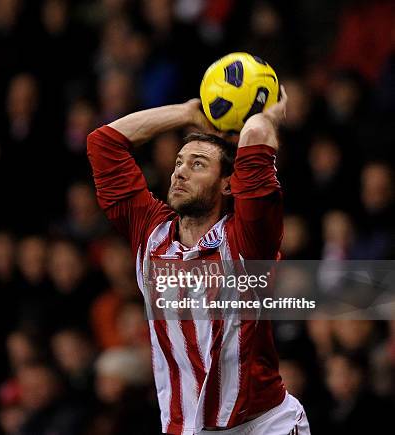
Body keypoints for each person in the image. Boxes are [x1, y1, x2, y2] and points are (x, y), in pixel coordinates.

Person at [87, 87, 311, 434]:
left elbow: (254, 142)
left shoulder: (247, 240)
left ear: (227, 185)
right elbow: (105, 143)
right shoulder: (150, 231)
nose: (180, 172)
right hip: (185, 426)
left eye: (198, 164)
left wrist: (264, 114)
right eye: (178, 162)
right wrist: (187, 112)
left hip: (264, 425)